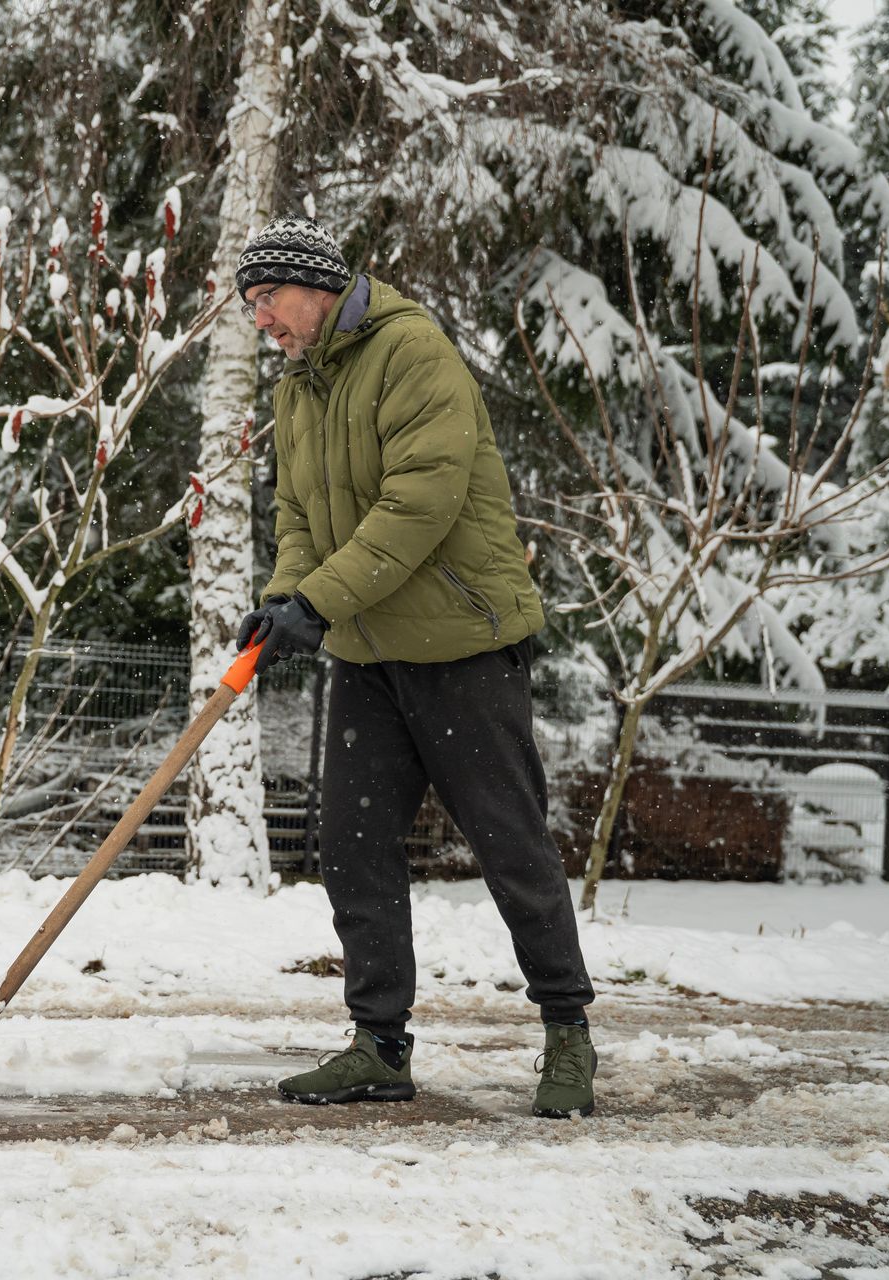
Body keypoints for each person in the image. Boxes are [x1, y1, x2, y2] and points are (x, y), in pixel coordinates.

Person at [232, 216, 598, 1119]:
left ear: (313, 286)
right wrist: (287, 598)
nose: (260, 322)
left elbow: (418, 505)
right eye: (249, 307)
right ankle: (379, 1047)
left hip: (462, 645)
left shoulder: (413, 354)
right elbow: (298, 520)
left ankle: (567, 1034)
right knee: (352, 849)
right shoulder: (298, 389)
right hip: (366, 652)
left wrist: (319, 600)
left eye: (267, 300)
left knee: (511, 848)